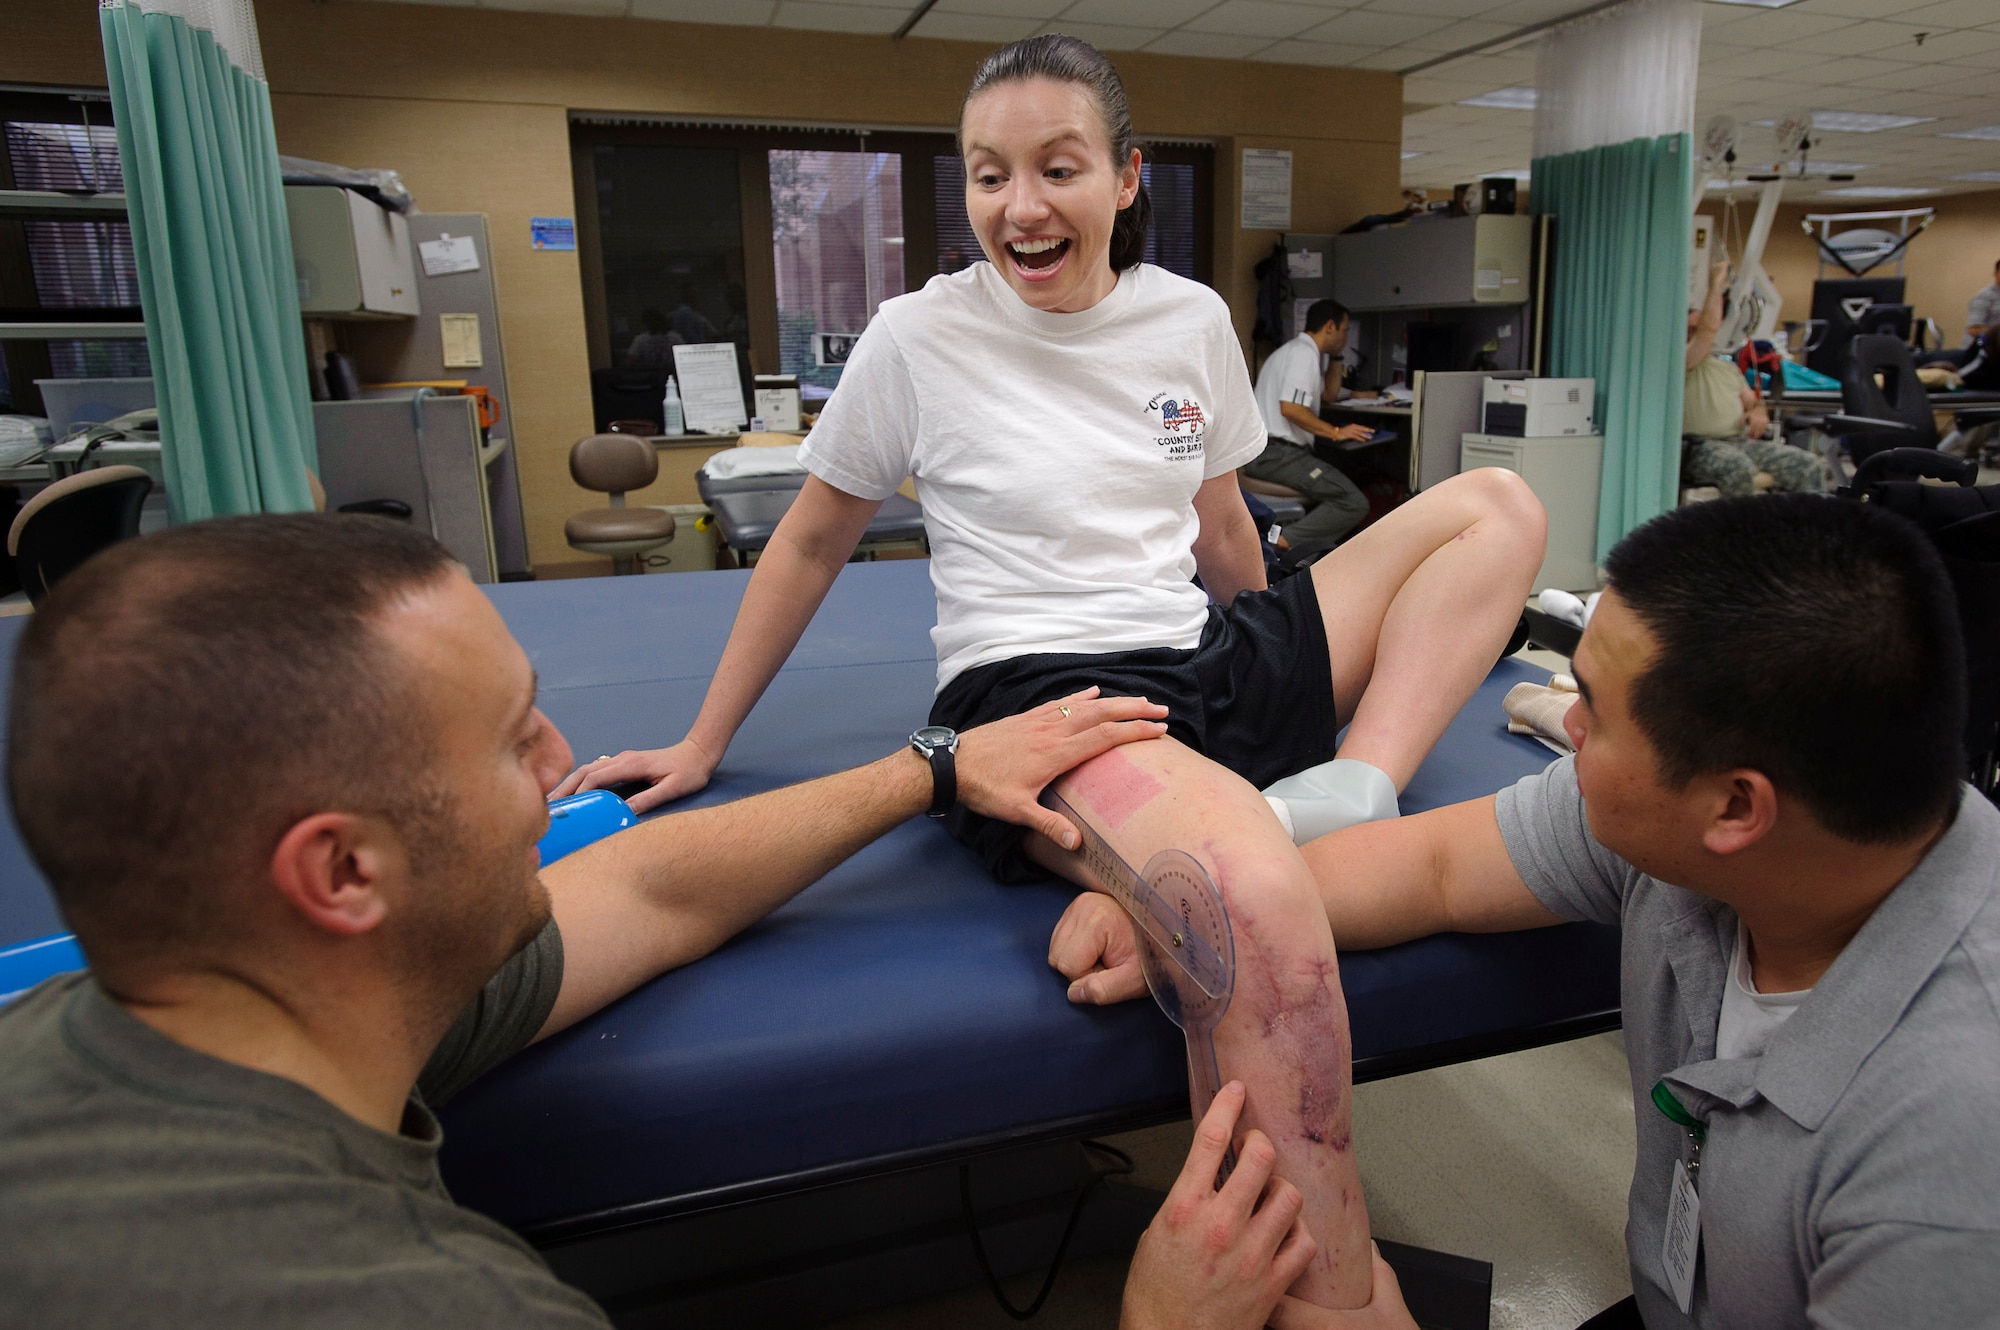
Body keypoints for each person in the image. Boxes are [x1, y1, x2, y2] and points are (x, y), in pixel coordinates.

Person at [558, 34, 1546, 1311]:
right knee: (1245, 894)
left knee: (1497, 508)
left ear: (1125, 179)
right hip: (1048, 701)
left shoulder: (1186, 319)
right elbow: (808, 540)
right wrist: (701, 741)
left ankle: (1353, 785)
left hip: (1198, 652)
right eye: (986, 175)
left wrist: (1284, 671)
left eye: (1056, 168)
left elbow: (1224, 528)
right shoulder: (917, 339)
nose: (1018, 206)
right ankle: (1337, 1298)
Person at [0, 515, 1323, 1329]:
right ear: (342, 872)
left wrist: (931, 764)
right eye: (513, 736)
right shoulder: (414, 1301)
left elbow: (643, 886)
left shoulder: (150, 1015)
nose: (563, 755)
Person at [1054, 494, 2000, 1328]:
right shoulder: (1715, 841)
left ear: (1737, 808)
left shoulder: (1944, 1184)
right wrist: (1210, 917)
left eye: (1593, 708)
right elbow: (1426, 864)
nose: (1565, 724)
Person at [1247, 297, 1375, 555]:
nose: (1347, 336)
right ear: (1330, 326)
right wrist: (1336, 433)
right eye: (1345, 330)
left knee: (1340, 477)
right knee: (1353, 502)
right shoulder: (1303, 354)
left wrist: (1337, 355)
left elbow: (1329, 394)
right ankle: (1280, 543)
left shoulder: (1299, 351)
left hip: (1274, 452)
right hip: (1278, 453)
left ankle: (1298, 548)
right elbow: (1291, 409)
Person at [1682, 262, 1820, 498]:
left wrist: (1757, 412)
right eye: (1690, 329)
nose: (1697, 333)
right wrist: (1716, 284)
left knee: (1807, 464)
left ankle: (1805, 531)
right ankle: (1742, 533)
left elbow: (1751, 401)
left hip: (1738, 442)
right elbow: (1708, 330)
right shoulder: (1683, 362)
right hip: (1699, 448)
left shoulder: (1726, 368)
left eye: (1698, 327)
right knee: (1739, 469)